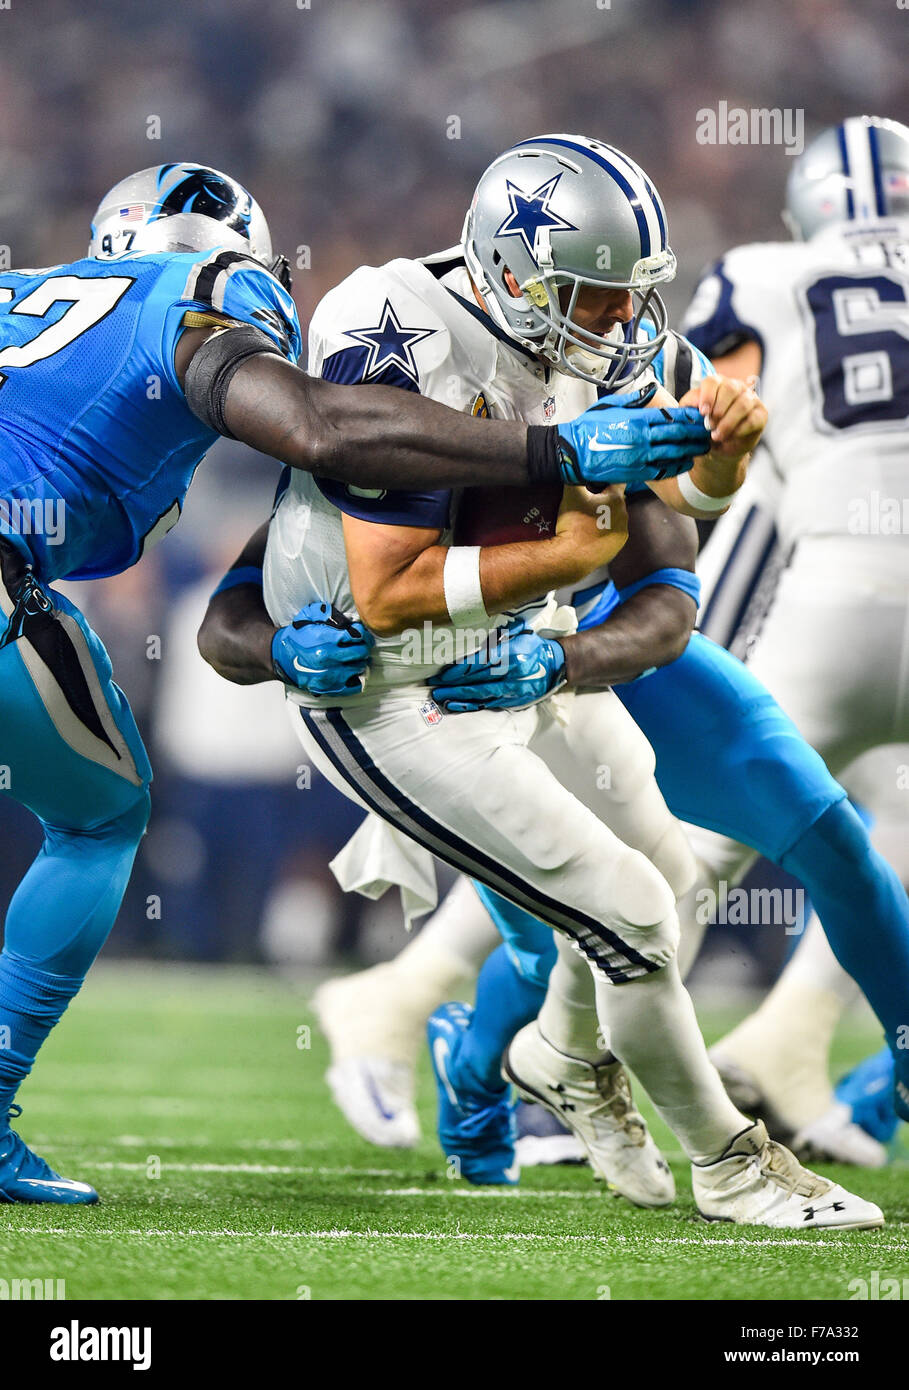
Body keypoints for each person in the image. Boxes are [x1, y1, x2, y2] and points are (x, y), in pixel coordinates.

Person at [200, 135, 883, 1227]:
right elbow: (385, 593)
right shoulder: (398, 330)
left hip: (521, 654)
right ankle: (731, 1160)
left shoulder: (613, 336)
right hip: (392, 683)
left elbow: (683, 513)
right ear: (512, 269)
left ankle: (565, 1059)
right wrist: (568, 554)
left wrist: (727, 452)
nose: (618, 322)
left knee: (674, 867)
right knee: (636, 913)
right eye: (593, 295)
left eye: (629, 298)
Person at [0, 159, 701, 1204]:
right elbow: (325, 434)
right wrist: (552, 450)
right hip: (414, 696)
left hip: (518, 677)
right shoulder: (216, 299)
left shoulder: (32, 306)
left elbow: (255, 587)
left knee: (582, 897)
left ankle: (480, 1072)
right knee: (105, 814)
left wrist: (284, 648)